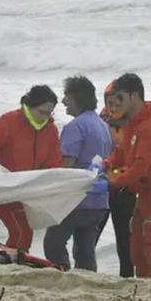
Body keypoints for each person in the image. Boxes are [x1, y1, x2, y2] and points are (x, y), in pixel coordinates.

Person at [102, 73, 151, 280]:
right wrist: (106, 164)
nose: (117, 104)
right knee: (136, 248)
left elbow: (139, 167)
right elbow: (123, 152)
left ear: (133, 97)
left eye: (121, 99)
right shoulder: (133, 123)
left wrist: (111, 181)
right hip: (143, 192)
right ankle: (145, 285)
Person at [0, 85, 62, 252]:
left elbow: (53, 162)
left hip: (26, 191)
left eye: (49, 113)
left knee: (26, 232)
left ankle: (16, 258)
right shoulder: (9, 121)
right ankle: (15, 258)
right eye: (42, 112)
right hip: (1, 188)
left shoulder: (51, 130)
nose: (45, 117)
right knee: (20, 230)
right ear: (30, 106)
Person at [43, 76, 112, 271]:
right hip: (99, 199)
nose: (63, 101)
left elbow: (67, 165)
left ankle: (61, 274)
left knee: (53, 243)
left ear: (77, 98)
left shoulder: (75, 127)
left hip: (77, 199)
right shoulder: (103, 125)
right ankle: (86, 279)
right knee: (85, 249)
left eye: (67, 96)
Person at [100, 81, 137, 277]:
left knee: (125, 239)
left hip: (125, 188)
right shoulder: (100, 120)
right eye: (109, 103)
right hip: (102, 186)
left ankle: (127, 278)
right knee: (92, 236)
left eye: (117, 103)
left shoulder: (135, 124)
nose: (113, 108)